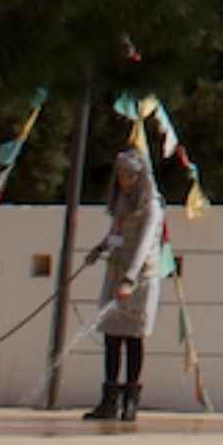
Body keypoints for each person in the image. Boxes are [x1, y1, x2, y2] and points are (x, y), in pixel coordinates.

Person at [85, 122, 168, 425]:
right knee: (111, 336)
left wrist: (130, 278)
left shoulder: (152, 207)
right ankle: (108, 399)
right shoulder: (121, 201)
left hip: (139, 278)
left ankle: (131, 401)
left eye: (130, 175)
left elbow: (146, 243)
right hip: (116, 270)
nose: (124, 181)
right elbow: (117, 231)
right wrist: (101, 247)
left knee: (133, 337)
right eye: (120, 175)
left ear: (140, 176)